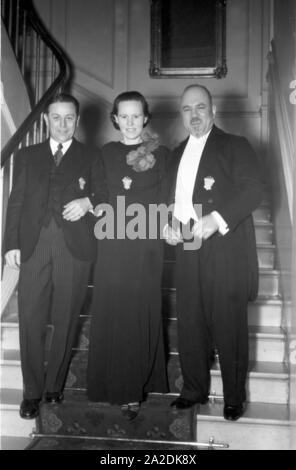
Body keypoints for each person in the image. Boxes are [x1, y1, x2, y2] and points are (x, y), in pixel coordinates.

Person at [164, 84, 265, 421]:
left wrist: (217, 218)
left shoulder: (235, 146)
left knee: (228, 325)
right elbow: (172, 199)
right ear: (181, 115)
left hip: (225, 247)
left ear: (213, 111)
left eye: (200, 108)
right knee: (190, 322)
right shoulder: (175, 152)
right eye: (187, 109)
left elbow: (254, 190)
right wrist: (168, 223)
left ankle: (234, 397)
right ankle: (193, 390)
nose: (194, 115)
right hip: (188, 246)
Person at [4, 93, 107, 419]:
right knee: (30, 320)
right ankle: (31, 392)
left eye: (69, 118)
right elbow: (15, 202)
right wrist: (9, 245)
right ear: (46, 119)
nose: (63, 124)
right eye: (56, 117)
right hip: (34, 245)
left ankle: (54, 387)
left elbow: (105, 195)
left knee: (66, 319)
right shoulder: (26, 155)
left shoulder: (92, 156)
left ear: (77, 120)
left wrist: (87, 203)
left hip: (75, 248)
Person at [87, 91, 169, 419]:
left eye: (137, 116)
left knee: (140, 311)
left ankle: (134, 388)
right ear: (116, 119)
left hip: (147, 243)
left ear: (145, 118)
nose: (131, 122)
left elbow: (167, 194)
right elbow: (100, 193)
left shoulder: (162, 154)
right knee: (114, 310)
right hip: (113, 242)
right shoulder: (105, 153)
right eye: (125, 116)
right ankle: (112, 384)